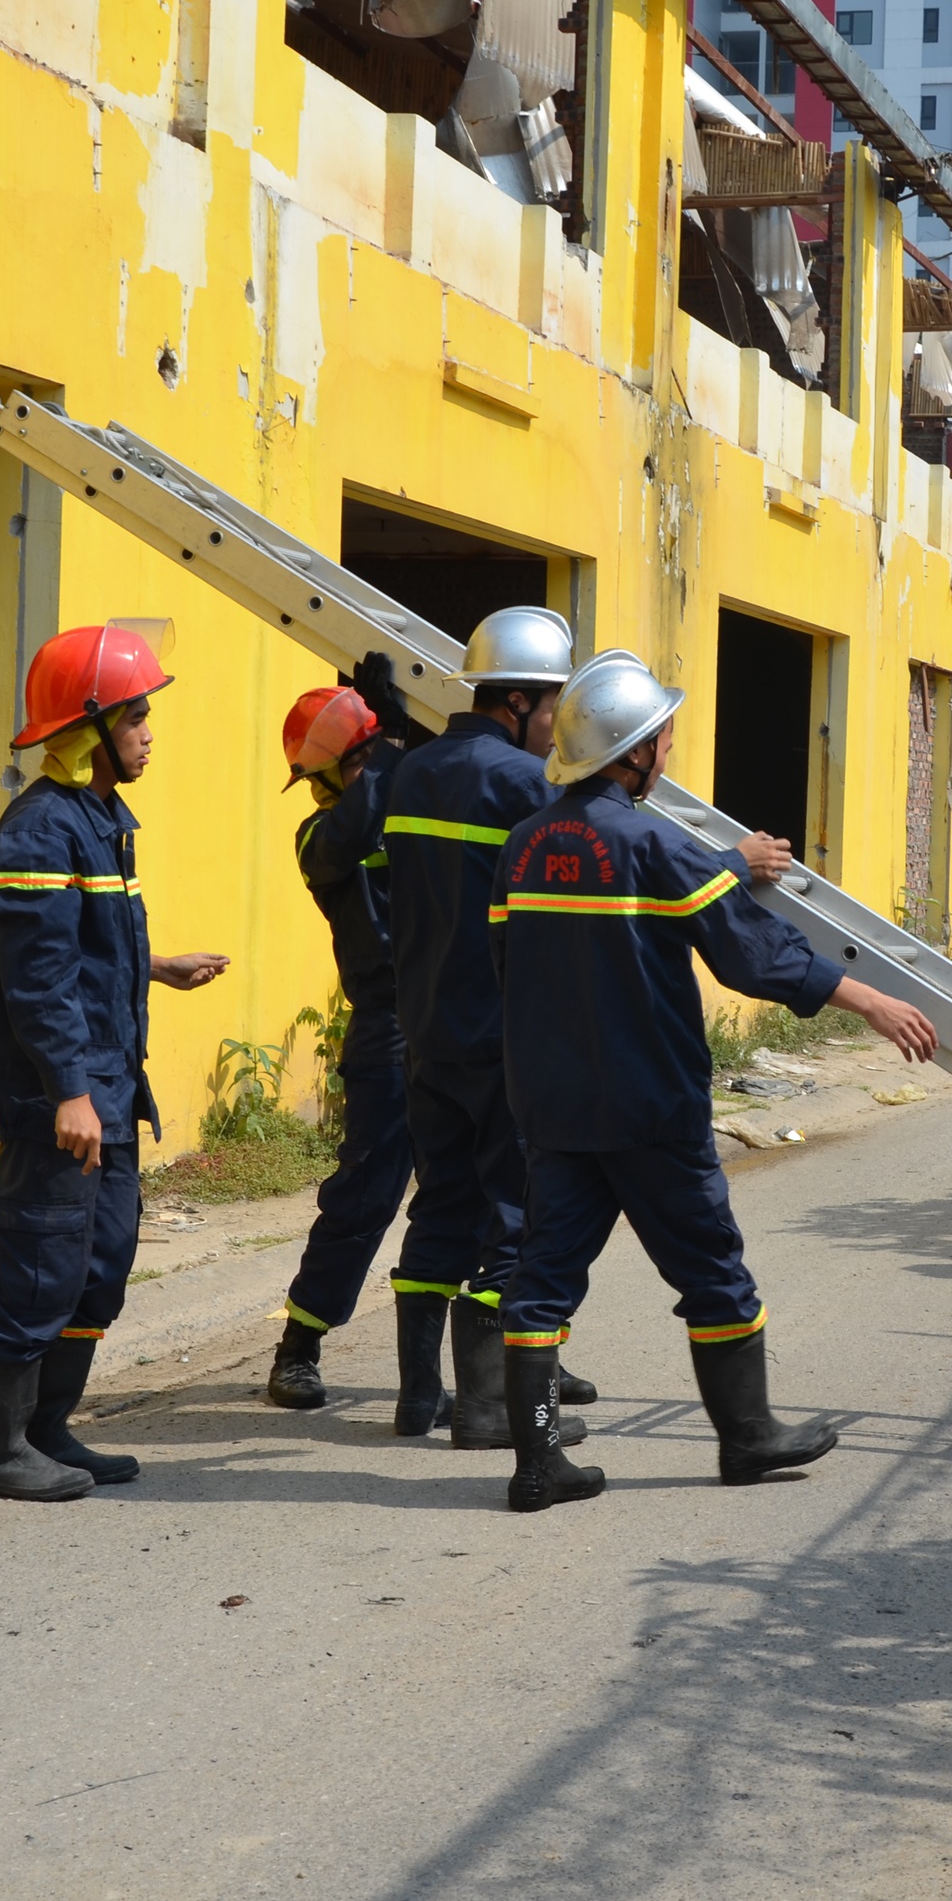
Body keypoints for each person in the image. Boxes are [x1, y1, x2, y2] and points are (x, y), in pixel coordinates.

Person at [488, 650, 938, 1513]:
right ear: (634, 753)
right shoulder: (653, 841)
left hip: (553, 1106)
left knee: (541, 1282)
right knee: (713, 1273)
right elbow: (752, 955)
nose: (669, 752)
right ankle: (748, 1436)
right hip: (651, 1106)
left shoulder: (524, 845)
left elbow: (509, 963)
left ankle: (537, 1464)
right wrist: (872, 1000)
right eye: (663, 739)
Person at [0, 623, 229, 1501]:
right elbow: (37, 979)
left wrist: (158, 965)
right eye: (138, 714)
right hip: (61, 1097)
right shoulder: (41, 827)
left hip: (109, 1086)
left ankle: (48, 1430)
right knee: (40, 1266)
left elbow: (85, 947)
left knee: (100, 1264)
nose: (151, 730)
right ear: (91, 728)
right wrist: (69, 1093)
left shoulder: (101, 819)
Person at [380, 605, 595, 1450]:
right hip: (505, 1037)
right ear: (516, 703)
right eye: (554, 709)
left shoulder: (410, 774)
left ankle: (417, 1397)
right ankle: (484, 1408)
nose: (561, 728)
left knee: (441, 1206)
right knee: (515, 1216)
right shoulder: (519, 783)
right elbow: (611, 855)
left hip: (425, 1029)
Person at [262, 656, 462, 1433]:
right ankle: (297, 1346)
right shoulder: (321, 834)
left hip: (456, 1015)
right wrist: (381, 746)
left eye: (320, 774)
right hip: (386, 1022)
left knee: (486, 1186)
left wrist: (389, 737)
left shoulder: (403, 793)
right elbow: (359, 819)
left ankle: (508, 1346)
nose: (314, 791)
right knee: (369, 1190)